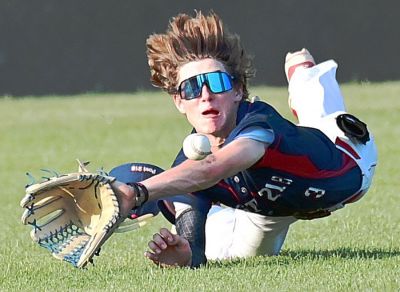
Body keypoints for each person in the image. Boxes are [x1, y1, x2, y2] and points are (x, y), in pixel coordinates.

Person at [114, 11, 377, 268]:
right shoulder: (188, 168)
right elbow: (192, 247)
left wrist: (138, 192)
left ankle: (303, 74)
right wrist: (183, 256)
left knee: (317, 111)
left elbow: (212, 168)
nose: (206, 95)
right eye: (192, 87)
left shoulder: (257, 122)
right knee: (237, 255)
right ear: (179, 102)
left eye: (216, 82)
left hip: (348, 159)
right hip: (272, 211)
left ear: (238, 90)